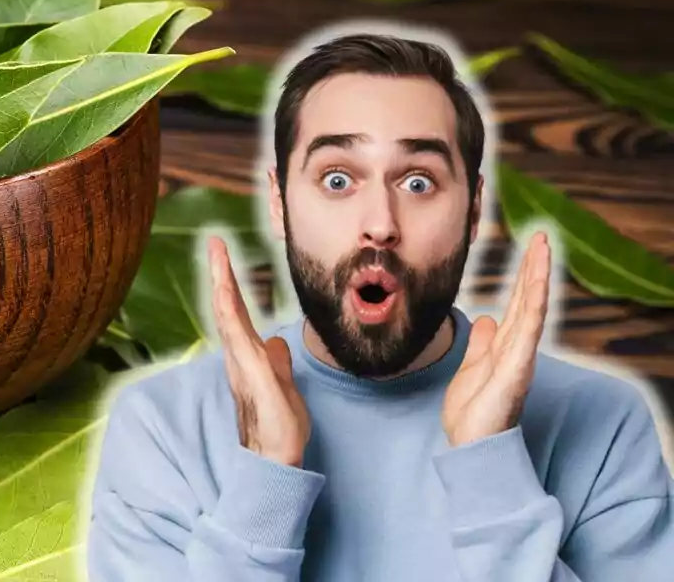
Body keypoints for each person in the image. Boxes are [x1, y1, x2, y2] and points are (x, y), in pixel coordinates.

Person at [84, 30, 674, 580]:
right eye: (338, 179)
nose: (380, 226)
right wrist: (265, 479)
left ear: (473, 212)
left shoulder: (603, 424)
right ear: (280, 204)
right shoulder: (161, 427)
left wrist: (490, 467)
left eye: (418, 181)